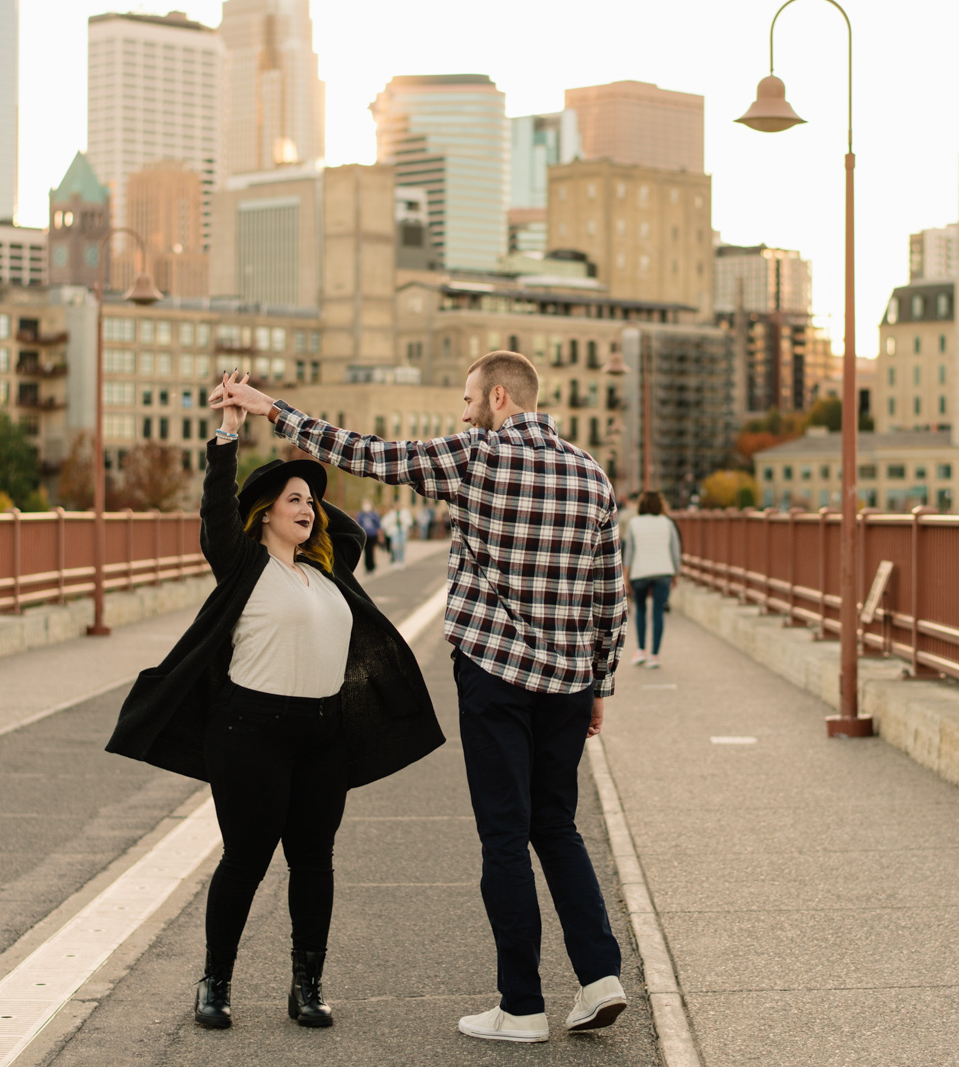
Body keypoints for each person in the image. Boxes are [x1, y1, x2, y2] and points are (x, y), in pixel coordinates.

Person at [211, 350, 629, 1044]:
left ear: (499, 397)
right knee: (556, 825)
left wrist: (273, 410)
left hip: (497, 675)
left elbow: (369, 454)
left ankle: (521, 1006)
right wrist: (600, 681)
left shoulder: (476, 456)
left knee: (505, 834)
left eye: (469, 400)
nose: (462, 413)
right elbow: (608, 593)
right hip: (567, 682)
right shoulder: (591, 474)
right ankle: (600, 976)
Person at [106, 372, 444, 1032]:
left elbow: (345, 529)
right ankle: (215, 982)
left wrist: (304, 488)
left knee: (315, 862)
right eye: (292, 501)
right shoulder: (244, 565)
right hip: (249, 730)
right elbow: (215, 514)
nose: (309, 509)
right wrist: (231, 436)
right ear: (260, 515)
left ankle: (307, 984)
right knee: (246, 859)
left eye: (310, 504)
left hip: (323, 734)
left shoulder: (325, 574)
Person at [622, 491, 682, 668]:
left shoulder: (634, 523)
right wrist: (676, 574)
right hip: (663, 571)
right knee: (658, 613)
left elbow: (629, 552)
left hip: (640, 572)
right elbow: (675, 551)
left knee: (640, 609)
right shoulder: (668, 523)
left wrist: (625, 576)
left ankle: (640, 650)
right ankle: (654, 655)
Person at [354, 499, 382, 574]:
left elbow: (378, 525)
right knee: (366, 551)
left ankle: (372, 566)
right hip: (365, 535)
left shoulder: (374, 514)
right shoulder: (361, 514)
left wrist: (380, 535)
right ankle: (367, 566)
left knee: (372, 550)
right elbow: (358, 524)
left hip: (373, 535)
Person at [384, 501, 409, 568]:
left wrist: (402, 520)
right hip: (395, 532)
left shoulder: (405, 512)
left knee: (402, 547)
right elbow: (386, 522)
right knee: (395, 547)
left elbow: (409, 522)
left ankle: (401, 561)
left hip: (402, 531)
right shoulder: (392, 513)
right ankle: (396, 561)